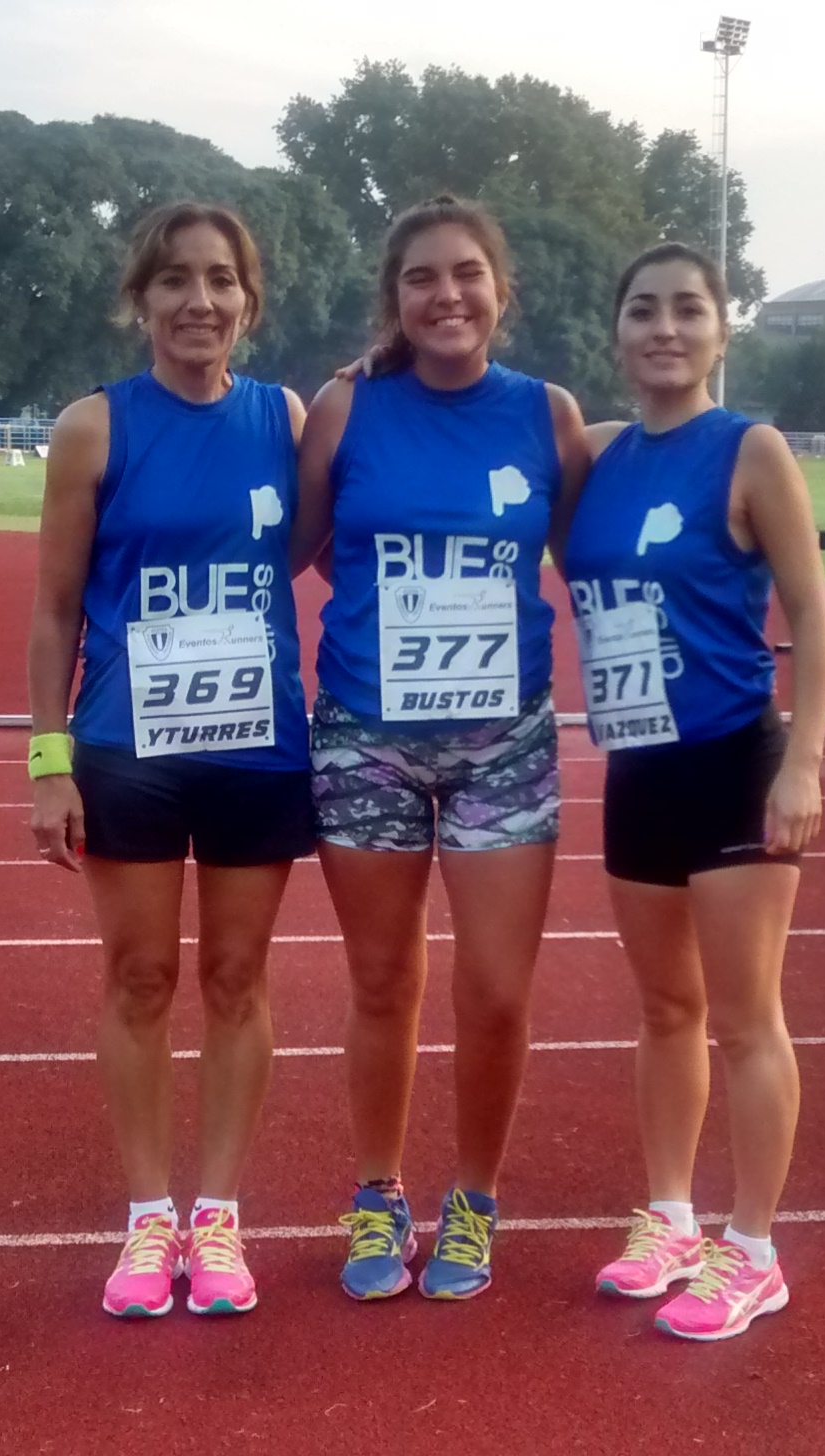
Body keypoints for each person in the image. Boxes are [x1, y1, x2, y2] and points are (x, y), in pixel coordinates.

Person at [293, 196, 591, 1301]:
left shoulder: (546, 415)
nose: (447, 294)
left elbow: (592, 556)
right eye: (422, 277)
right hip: (365, 736)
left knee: (499, 990)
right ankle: (378, 1191)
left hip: (503, 741)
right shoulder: (346, 406)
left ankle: (473, 1199)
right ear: (395, 299)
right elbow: (300, 547)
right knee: (380, 980)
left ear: (500, 292)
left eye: (467, 273)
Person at [26, 202, 310, 1319]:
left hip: (256, 747)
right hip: (126, 748)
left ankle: (220, 1216)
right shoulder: (94, 427)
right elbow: (53, 611)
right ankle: (151, 1219)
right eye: (177, 280)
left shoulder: (282, 418)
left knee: (237, 981)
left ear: (249, 297)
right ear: (140, 298)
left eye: (223, 280)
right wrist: (48, 761)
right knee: (139, 977)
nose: (201, 301)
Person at [562, 241, 825, 1341]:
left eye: (687, 310)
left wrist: (806, 760)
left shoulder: (750, 450)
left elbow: (813, 617)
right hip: (639, 769)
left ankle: (754, 1248)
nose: (663, 328)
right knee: (664, 1010)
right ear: (616, 334)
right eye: (642, 311)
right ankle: (669, 1216)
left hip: (734, 762)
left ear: (723, 330)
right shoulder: (594, 454)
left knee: (742, 1019)